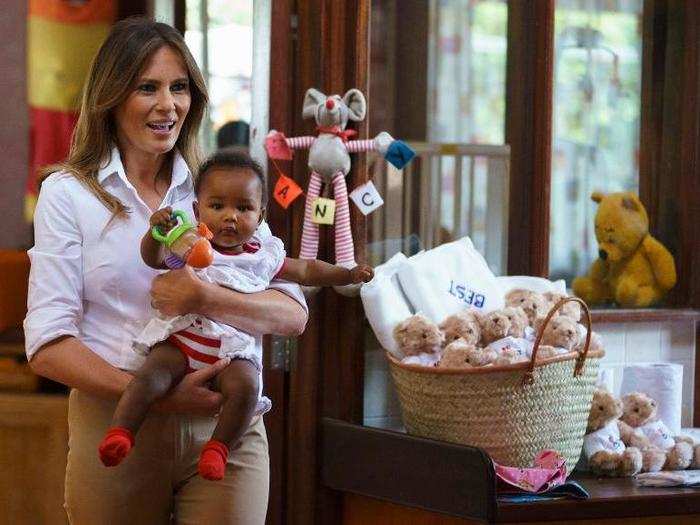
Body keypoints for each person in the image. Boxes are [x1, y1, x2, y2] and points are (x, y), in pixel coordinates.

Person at [24, 17, 307, 524]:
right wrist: (156, 396)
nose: (168, 104)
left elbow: (290, 314)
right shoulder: (67, 194)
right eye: (147, 88)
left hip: (228, 428)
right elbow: (47, 344)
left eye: (179, 88)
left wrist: (208, 299)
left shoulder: (216, 187)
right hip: (117, 423)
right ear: (112, 96)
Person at [98, 148, 373, 480]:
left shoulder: (263, 257)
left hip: (233, 348)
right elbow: (154, 259)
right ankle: (121, 433)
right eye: (217, 206)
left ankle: (218, 449)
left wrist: (346, 274)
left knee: (246, 387)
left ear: (261, 214)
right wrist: (155, 233)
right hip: (184, 339)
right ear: (198, 210)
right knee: (150, 376)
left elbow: (306, 270)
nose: (230, 216)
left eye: (243, 208)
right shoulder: (189, 243)